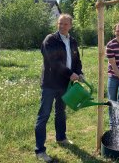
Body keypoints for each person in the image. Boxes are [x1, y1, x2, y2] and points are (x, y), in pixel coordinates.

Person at [35, 14, 83, 162]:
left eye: (65, 24)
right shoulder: (50, 40)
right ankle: (40, 150)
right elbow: (54, 62)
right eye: (60, 24)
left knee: (61, 112)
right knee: (44, 115)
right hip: (50, 84)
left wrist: (79, 72)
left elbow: (76, 60)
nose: (62, 26)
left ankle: (61, 138)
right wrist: (70, 74)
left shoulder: (73, 41)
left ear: (71, 25)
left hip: (64, 84)